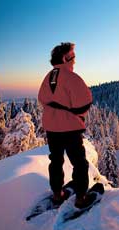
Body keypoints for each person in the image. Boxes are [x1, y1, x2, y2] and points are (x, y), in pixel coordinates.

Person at [38, 42, 93, 208]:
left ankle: (57, 194)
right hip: (70, 129)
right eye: (73, 56)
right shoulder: (72, 78)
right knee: (79, 163)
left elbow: (42, 98)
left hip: (51, 128)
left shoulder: (49, 76)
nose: (75, 60)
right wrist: (76, 115)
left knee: (55, 161)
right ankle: (81, 197)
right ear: (65, 58)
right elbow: (84, 103)